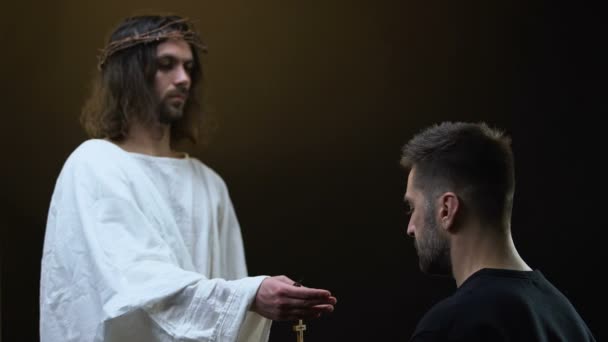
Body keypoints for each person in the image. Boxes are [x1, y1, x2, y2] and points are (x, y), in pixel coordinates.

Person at [39, 14, 336, 342]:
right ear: (129, 75)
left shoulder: (209, 185)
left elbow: (228, 309)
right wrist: (250, 294)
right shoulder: (94, 164)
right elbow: (137, 281)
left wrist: (246, 298)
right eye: (167, 64)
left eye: (189, 67)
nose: (183, 79)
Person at [400, 122, 595, 341]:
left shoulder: (449, 327)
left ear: (446, 209)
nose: (410, 228)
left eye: (412, 207)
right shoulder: (568, 321)